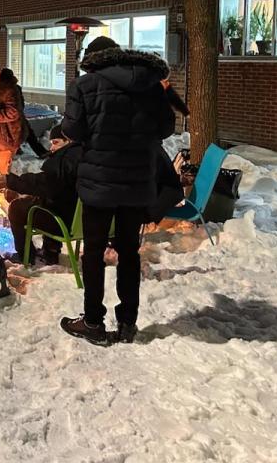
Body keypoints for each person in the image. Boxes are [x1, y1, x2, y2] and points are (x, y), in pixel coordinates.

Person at [59, 36, 176, 346]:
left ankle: (94, 322)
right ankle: (127, 323)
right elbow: (165, 129)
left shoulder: (84, 86)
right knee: (128, 253)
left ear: (94, 59)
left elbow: (71, 130)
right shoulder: (150, 85)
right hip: (136, 184)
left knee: (94, 253)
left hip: (99, 183)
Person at [0, 124, 81, 266]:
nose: (52, 148)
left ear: (69, 141)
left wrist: (10, 181)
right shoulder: (88, 158)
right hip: (85, 220)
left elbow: (44, 183)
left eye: (56, 143)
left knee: (17, 208)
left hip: (65, 222)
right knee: (45, 200)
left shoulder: (66, 160)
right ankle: (50, 250)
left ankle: (25, 257)